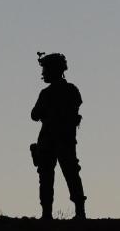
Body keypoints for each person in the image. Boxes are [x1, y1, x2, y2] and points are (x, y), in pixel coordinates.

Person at [30, 52, 86, 220]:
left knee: (57, 175)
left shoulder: (49, 93)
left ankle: (49, 213)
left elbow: (35, 114)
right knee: (66, 173)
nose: (43, 73)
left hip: (55, 139)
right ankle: (77, 212)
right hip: (59, 139)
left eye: (46, 69)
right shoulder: (70, 90)